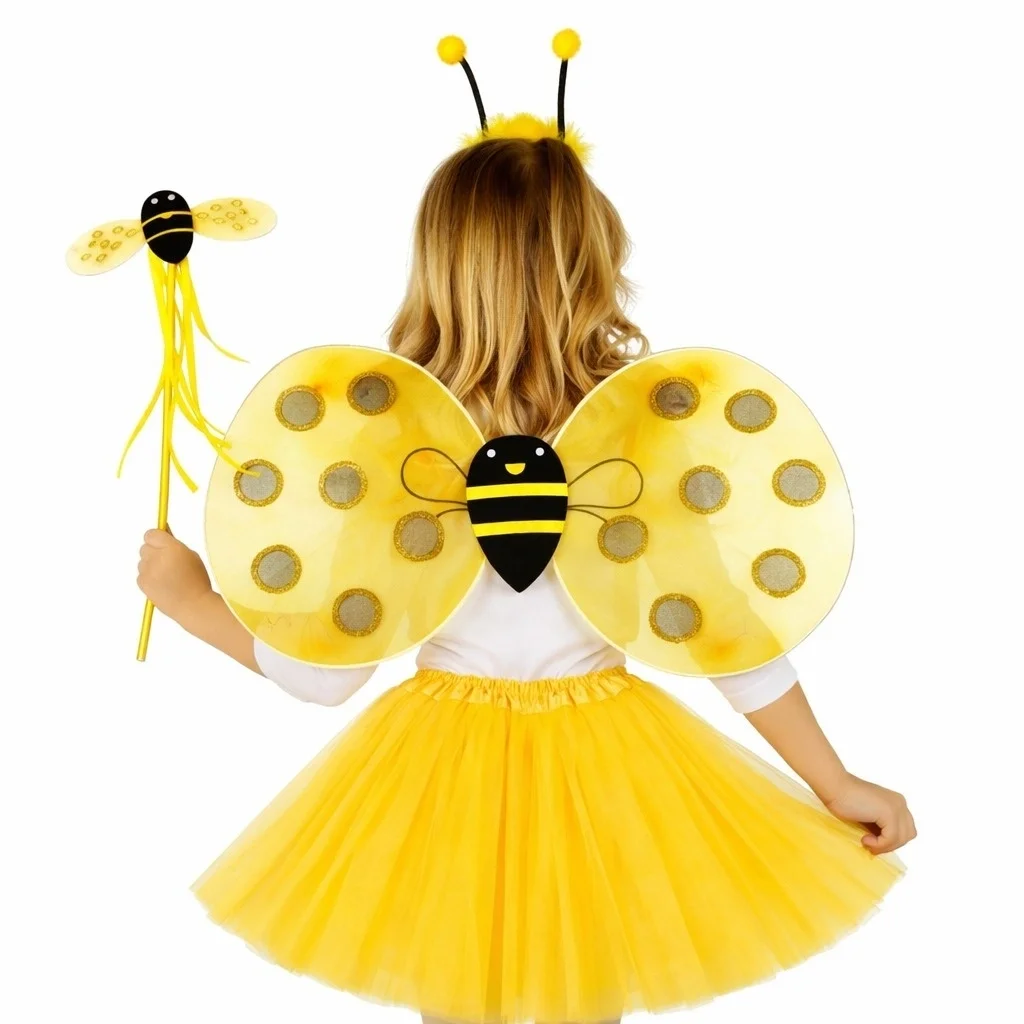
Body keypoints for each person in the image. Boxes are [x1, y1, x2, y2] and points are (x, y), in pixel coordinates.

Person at [138, 33, 915, 1024]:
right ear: (596, 264)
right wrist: (832, 780)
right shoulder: (640, 434)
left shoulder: (392, 444)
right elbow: (723, 636)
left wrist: (189, 599)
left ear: (435, 267)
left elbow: (321, 674)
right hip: (609, 777)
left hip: (439, 778)